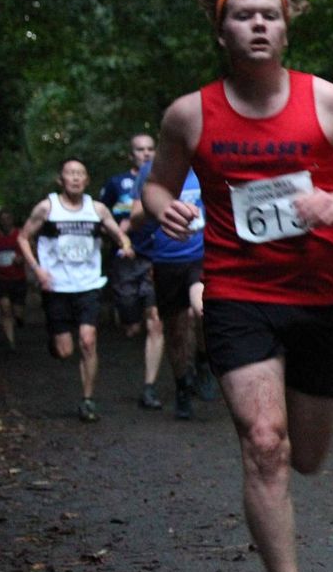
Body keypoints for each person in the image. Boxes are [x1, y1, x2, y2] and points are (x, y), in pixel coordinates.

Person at [141, 0, 333, 572]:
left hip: (318, 299)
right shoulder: (190, 114)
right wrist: (166, 209)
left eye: (268, 14)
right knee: (264, 443)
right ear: (220, 32)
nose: (257, 24)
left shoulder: (326, 102)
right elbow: (156, 188)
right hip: (237, 294)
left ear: (285, 28)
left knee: (307, 455)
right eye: (242, 15)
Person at [18, 158, 134, 421]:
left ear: (86, 180)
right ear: (61, 180)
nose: (75, 178)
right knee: (65, 351)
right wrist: (37, 270)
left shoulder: (97, 209)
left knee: (88, 340)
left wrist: (126, 246)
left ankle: (87, 400)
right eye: (70, 173)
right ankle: (55, 341)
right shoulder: (47, 208)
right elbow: (23, 238)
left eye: (80, 173)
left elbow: (119, 235)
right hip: (56, 286)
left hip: (88, 284)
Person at [131, 161, 212, 420]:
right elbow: (134, 219)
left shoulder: (207, 161)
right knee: (176, 331)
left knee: (201, 310)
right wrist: (160, 209)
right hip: (167, 260)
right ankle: (182, 387)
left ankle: (203, 359)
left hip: (202, 256)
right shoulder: (153, 170)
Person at [99, 133, 165, 410]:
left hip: (156, 256)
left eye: (150, 149)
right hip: (126, 259)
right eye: (140, 149)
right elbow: (101, 217)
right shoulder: (116, 183)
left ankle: (149, 387)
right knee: (132, 323)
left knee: (155, 321)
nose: (146, 153)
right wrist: (119, 238)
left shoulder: (165, 179)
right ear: (131, 154)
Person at [0, 208, 28, 350]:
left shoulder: (19, 235)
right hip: (1, 278)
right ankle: (11, 343)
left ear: (12, 220)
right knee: (5, 308)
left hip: (18, 278)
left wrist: (21, 258)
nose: (5, 222)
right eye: (3, 219)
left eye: (8, 218)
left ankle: (19, 319)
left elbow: (30, 251)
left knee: (17, 311)